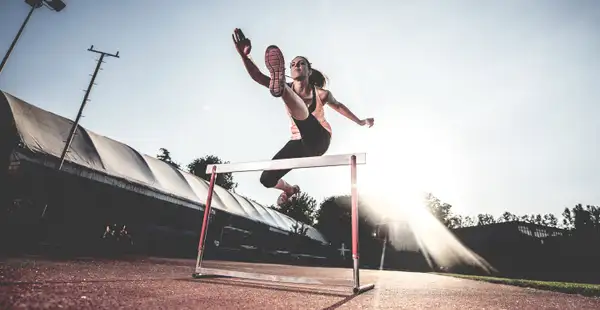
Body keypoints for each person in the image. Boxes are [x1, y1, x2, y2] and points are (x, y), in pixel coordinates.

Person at [232, 28, 375, 206]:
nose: (296, 66)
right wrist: (244, 56)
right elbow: (257, 76)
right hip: (298, 143)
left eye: (301, 64)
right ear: (290, 72)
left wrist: (360, 121)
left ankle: (281, 89)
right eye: (292, 65)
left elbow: (339, 107)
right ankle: (290, 190)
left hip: (319, 139)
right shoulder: (289, 84)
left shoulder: (322, 94)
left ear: (308, 71)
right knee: (266, 179)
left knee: (304, 117)